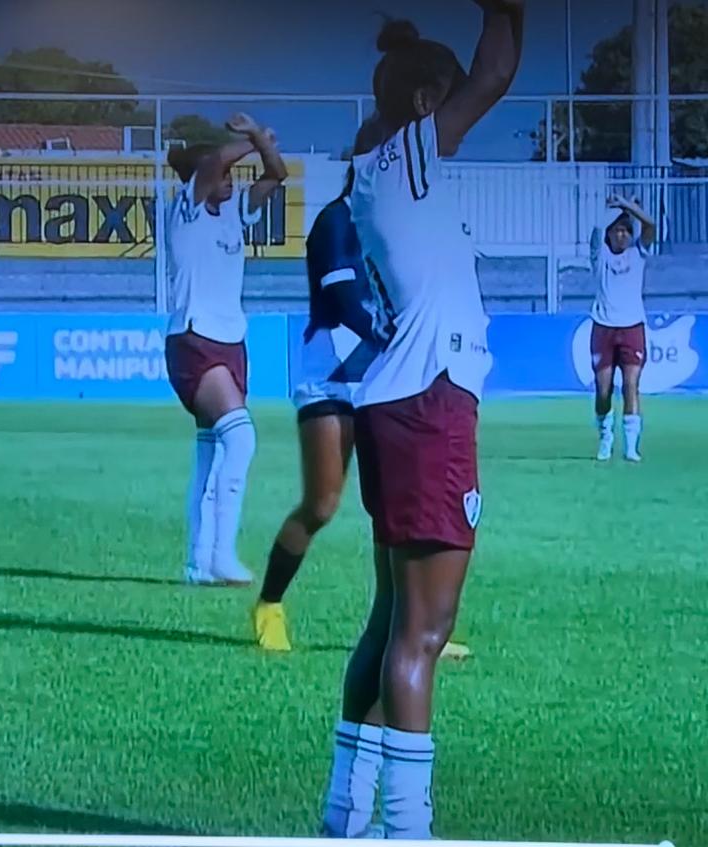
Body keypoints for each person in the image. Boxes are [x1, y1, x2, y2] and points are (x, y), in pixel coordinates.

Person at [319, 3, 523, 839]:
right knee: (425, 633)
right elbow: (499, 70)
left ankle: (346, 814)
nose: (457, 115)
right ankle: (405, 829)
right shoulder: (410, 156)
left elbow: (471, 81)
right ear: (418, 106)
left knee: (389, 620)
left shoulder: (376, 167)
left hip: (396, 405)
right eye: (441, 100)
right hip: (433, 404)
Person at [252, 142, 470, 662]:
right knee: (322, 503)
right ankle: (269, 604)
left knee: (393, 508)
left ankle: (410, 628)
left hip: (384, 380)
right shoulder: (335, 219)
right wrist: (396, 338)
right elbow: (345, 300)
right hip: (331, 376)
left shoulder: (398, 231)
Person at [164, 113, 287, 587]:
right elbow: (216, 159)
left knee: (211, 454)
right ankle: (221, 554)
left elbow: (276, 176)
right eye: (226, 178)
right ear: (202, 180)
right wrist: (254, 137)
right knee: (241, 439)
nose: (231, 183)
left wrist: (262, 146)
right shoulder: (187, 209)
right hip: (195, 340)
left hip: (230, 340)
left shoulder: (235, 213)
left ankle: (198, 561)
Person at [589, 194, 656, 463]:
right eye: (617, 231)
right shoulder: (600, 255)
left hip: (632, 328)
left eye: (626, 231)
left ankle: (631, 446)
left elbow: (650, 226)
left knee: (631, 385)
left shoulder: (638, 253)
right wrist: (611, 208)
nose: (622, 236)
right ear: (610, 234)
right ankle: (606, 436)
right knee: (603, 389)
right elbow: (595, 232)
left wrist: (629, 206)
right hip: (603, 327)